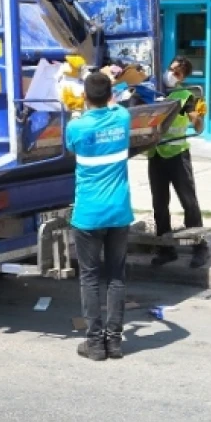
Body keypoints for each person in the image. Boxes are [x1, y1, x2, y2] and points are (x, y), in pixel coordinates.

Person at [65, 70, 134, 361]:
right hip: (119, 212)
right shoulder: (122, 119)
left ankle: (94, 344)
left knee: (90, 278)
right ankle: (114, 342)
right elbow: (118, 102)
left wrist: (75, 111)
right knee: (116, 276)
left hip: (89, 215)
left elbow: (70, 148)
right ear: (109, 96)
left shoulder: (76, 128)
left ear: (84, 97)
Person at [148, 57, 209, 268]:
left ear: (184, 77)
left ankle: (199, 247)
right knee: (159, 204)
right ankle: (165, 249)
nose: (172, 74)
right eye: (171, 69)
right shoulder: (152, 92)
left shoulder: (185, 96)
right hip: (156, 155)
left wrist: (199, 116)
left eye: (178, 73)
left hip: (177, 155)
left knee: (188, 202)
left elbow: (198, 126)